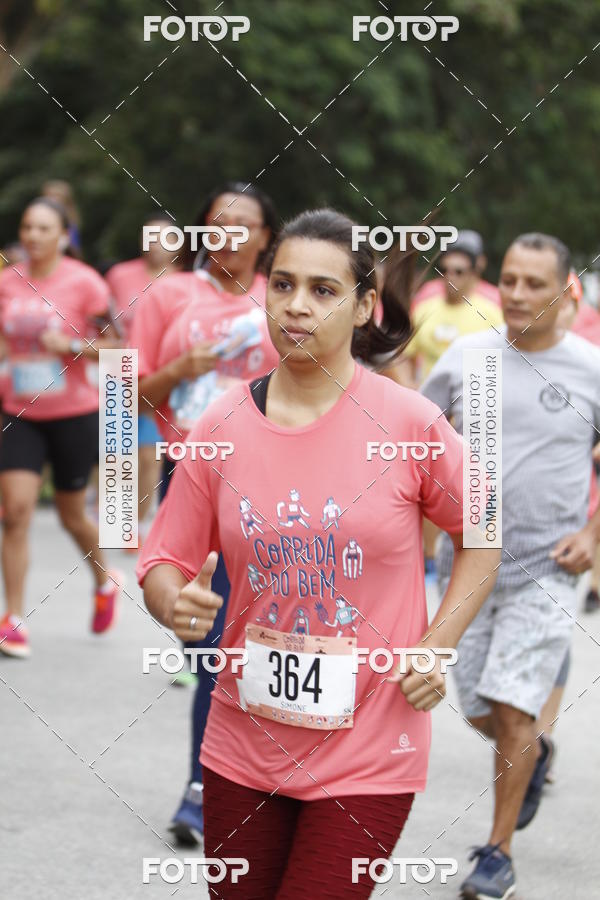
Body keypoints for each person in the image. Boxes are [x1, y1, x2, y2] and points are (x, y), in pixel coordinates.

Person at [137, 208, 500, 898]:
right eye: (282, 285)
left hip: (369, 748)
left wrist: (435, 645)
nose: (297, 306)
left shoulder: (409, 422)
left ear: (365, 306)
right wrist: (171, 604)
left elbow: (484, 531)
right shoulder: (220, 422)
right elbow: (164, 561)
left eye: (324, 290)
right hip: (241, 744)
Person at [422, 233, 600, 900]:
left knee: (511, 703)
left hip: (548, 565)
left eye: (535, 283)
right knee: (478, 708)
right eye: (511, 281)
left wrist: (593, 533)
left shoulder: (589, 367)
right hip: (467, 561)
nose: (519, 295)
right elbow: (419, 437)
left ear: (566, 291)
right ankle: (534, 751)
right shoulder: (467, 356)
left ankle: (496, 853)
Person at [131, 182, 279, 844]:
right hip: (190, 482)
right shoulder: (168, 295)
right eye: (216, 222)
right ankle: (221, 776)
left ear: (266, 239)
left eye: (243, 224)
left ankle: (207, 787)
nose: (228, 233)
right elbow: (122, 397)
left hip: (273, 489)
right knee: (212, 644)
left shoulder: (282, 297)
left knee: (246, 644)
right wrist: (179, 369)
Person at [0, 197, 121, 658]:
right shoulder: (7, 283)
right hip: (19, 412)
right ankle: (13, 618)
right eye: (27, 226)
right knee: (16, 511)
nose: (32, 236)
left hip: (73, 413)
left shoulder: (86, 283)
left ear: (64, 235)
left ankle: (104, 580)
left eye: (43, 228)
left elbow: (116, 347)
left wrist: (70, 344)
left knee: (72, 514)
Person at [105, 215, 182, 544]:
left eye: (163, 238)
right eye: (149, 237)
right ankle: (116, 523)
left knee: (151, 455)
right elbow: (103, 320)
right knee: (119, 453)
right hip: (120, 369)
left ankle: (135, 526)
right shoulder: (119, 276)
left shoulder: (186, 280)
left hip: (163, 375)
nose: (154, 244)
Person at [406, 230, 503, 383]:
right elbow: (406, 354)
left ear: (477, 265)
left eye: (459, 271)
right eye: (445, 270)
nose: (451, 276)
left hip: (476, 397)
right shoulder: (426, 299)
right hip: (429, 396)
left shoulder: (494, 304)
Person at [412, 228, 500, 309]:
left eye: (469, 256)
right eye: (455, 253)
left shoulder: (494, 299)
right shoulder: (428, 292)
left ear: (482, 261)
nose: (459, 260)